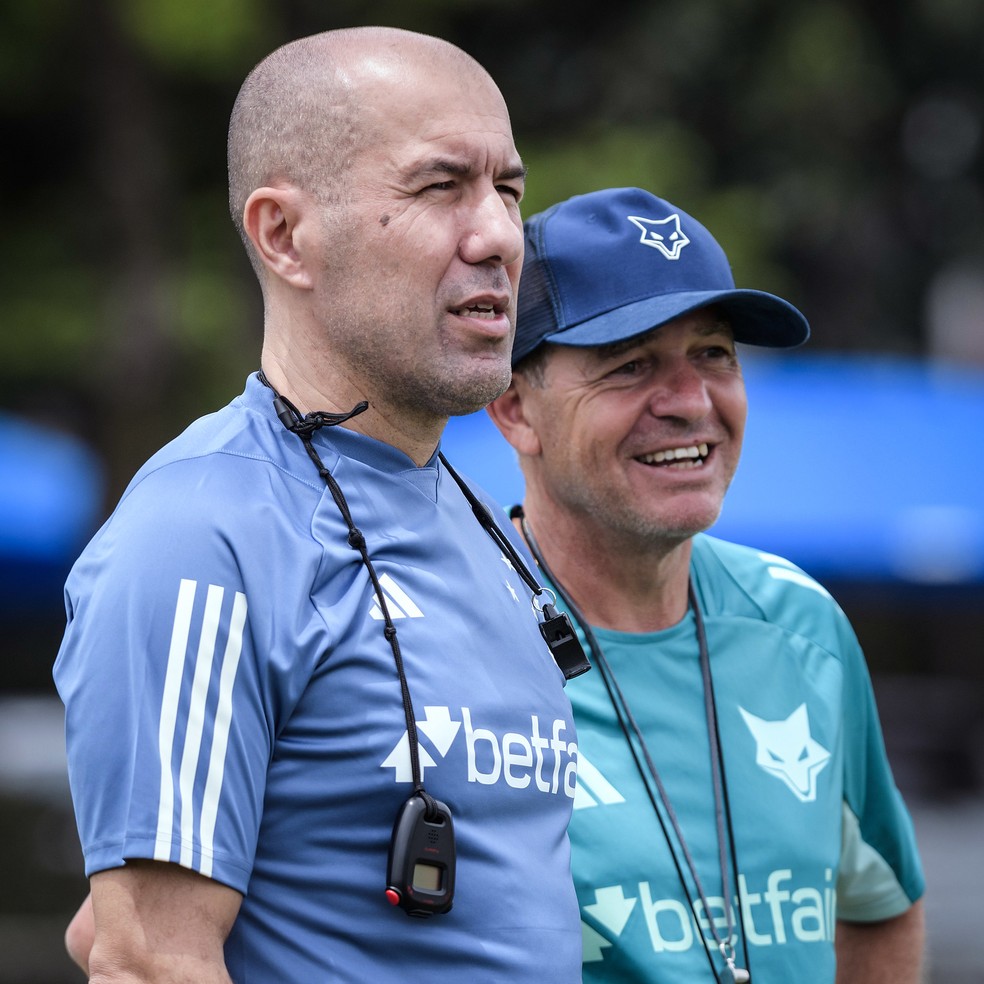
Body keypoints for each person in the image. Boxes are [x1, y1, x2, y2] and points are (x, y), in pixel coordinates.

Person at [54, 28, 583, 982]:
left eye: (507, 188)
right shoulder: (205, 533)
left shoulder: (472, 517)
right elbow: (142, 959)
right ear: (284, 235)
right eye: (439, 187)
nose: (500, 235)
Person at [486, 186, 926, 983]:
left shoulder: (802, 625)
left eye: (715, 355)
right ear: (515, 409)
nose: (691, 402)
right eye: (630, 365)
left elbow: (883, 903)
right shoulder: (440, 639)